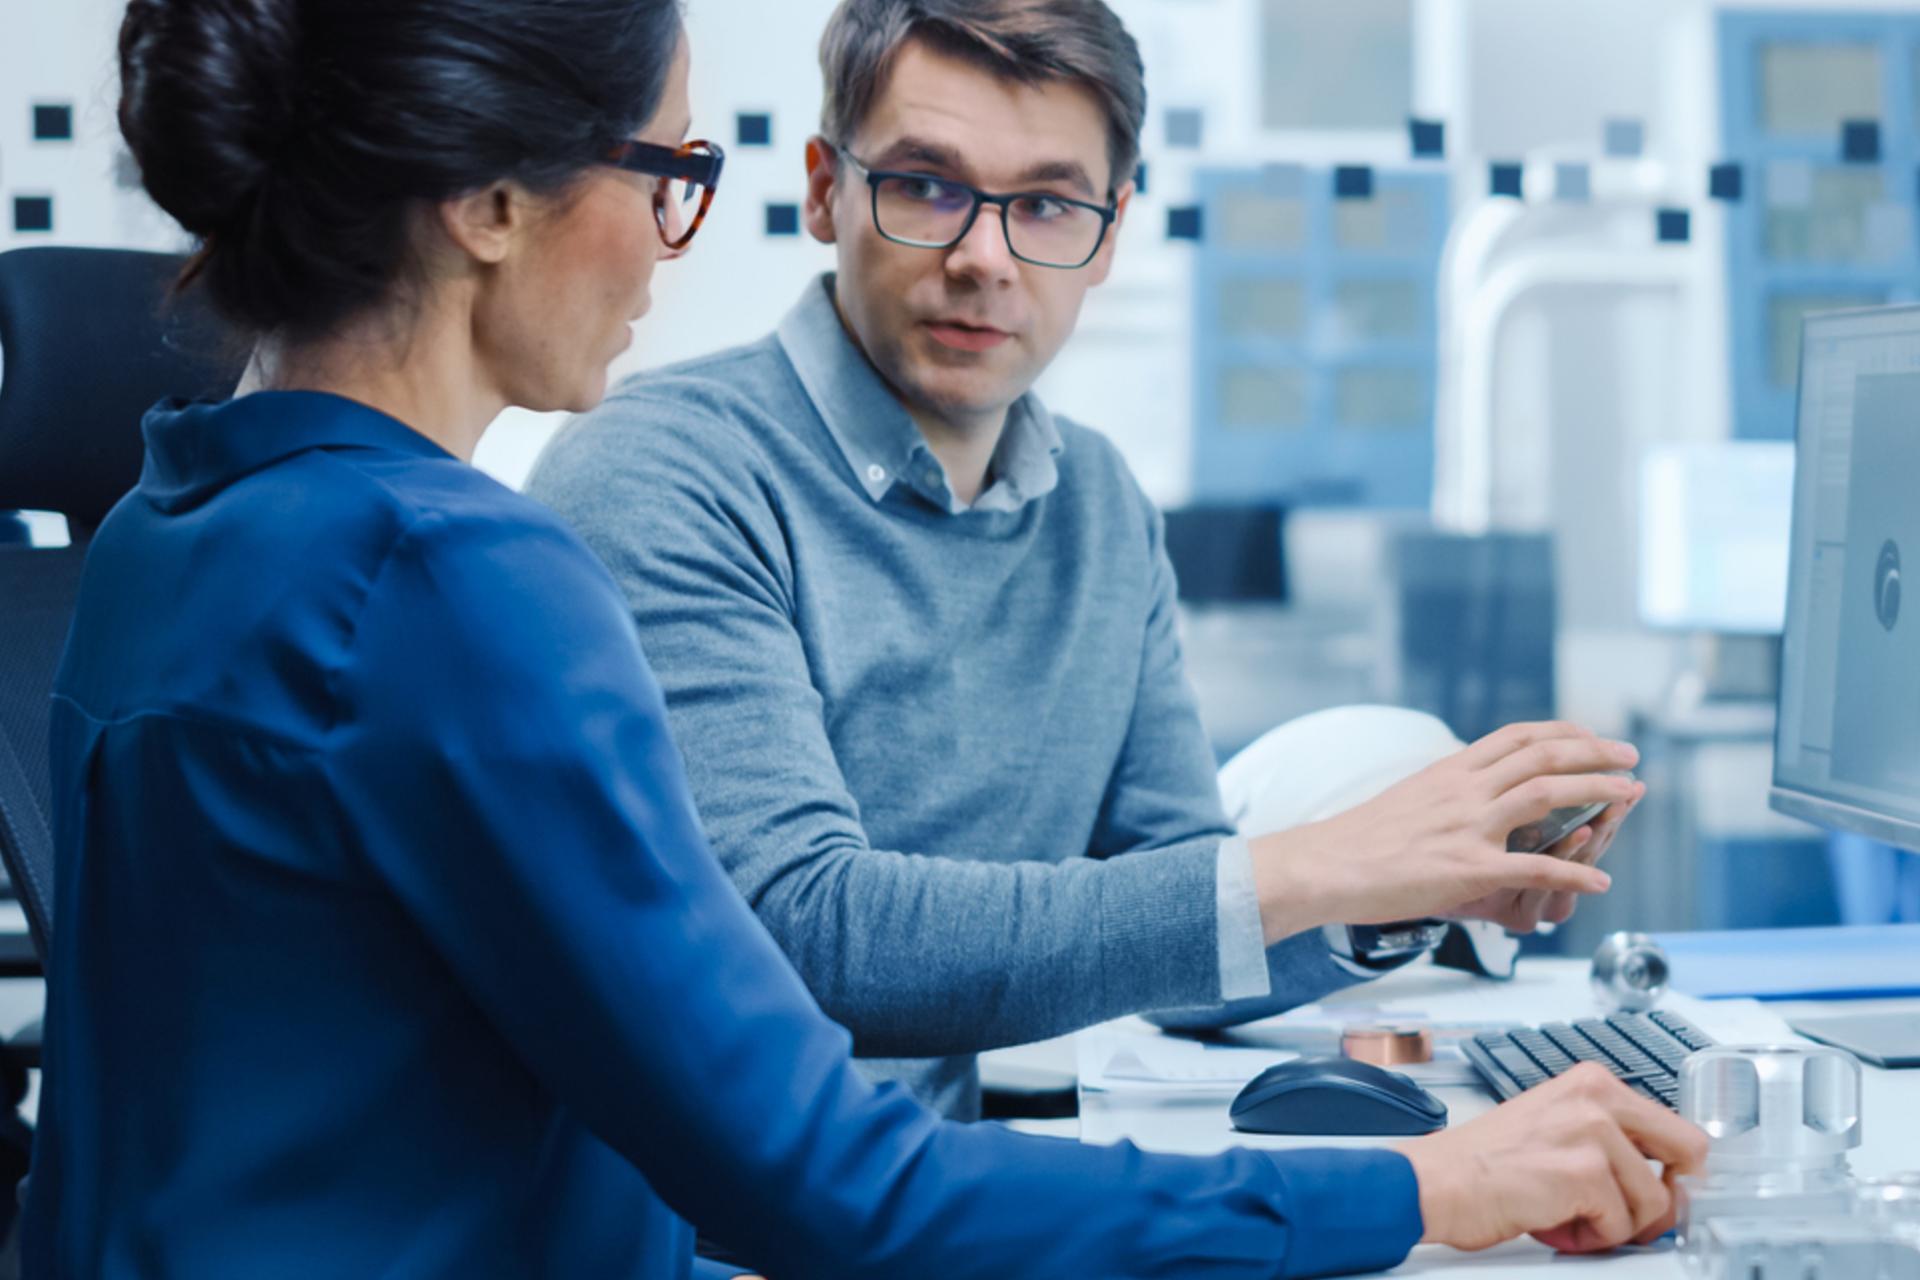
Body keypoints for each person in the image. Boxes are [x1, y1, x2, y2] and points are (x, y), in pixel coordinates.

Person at [27, 0, 1704, 1275]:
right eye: (670, 173)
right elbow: (821, 1163)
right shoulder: (454, 574)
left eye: (1052, 204)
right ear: (488, 202)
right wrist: (1417, 1187)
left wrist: (1403, 887)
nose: (667, 252)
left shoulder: (173, 521)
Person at [529, 0, 1646, 1122]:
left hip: (923, 1199)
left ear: (1108, 233)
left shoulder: (1099, 507)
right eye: (926, 185)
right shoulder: (662, 472)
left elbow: (1189, 935)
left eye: (1048, 206)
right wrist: (1320, 860)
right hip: (698, 1229)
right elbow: (802, 934)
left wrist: (1410, 895)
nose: (983, 258)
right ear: (826, 189)